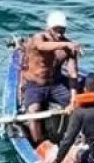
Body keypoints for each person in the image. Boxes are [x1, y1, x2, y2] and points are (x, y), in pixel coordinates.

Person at [20, 11, 81, 144]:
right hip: (35, 85)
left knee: (78, 108)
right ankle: (39, 144)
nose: (59, 34)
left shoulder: (69, 46)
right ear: (48, 28)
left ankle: (76, 139)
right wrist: (65, 45)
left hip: (56, 85)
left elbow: (73, 74)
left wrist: (73, 100)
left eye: (62, 30)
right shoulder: (39, 38)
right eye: (56, 30)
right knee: (33, 112)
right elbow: (42, 46)